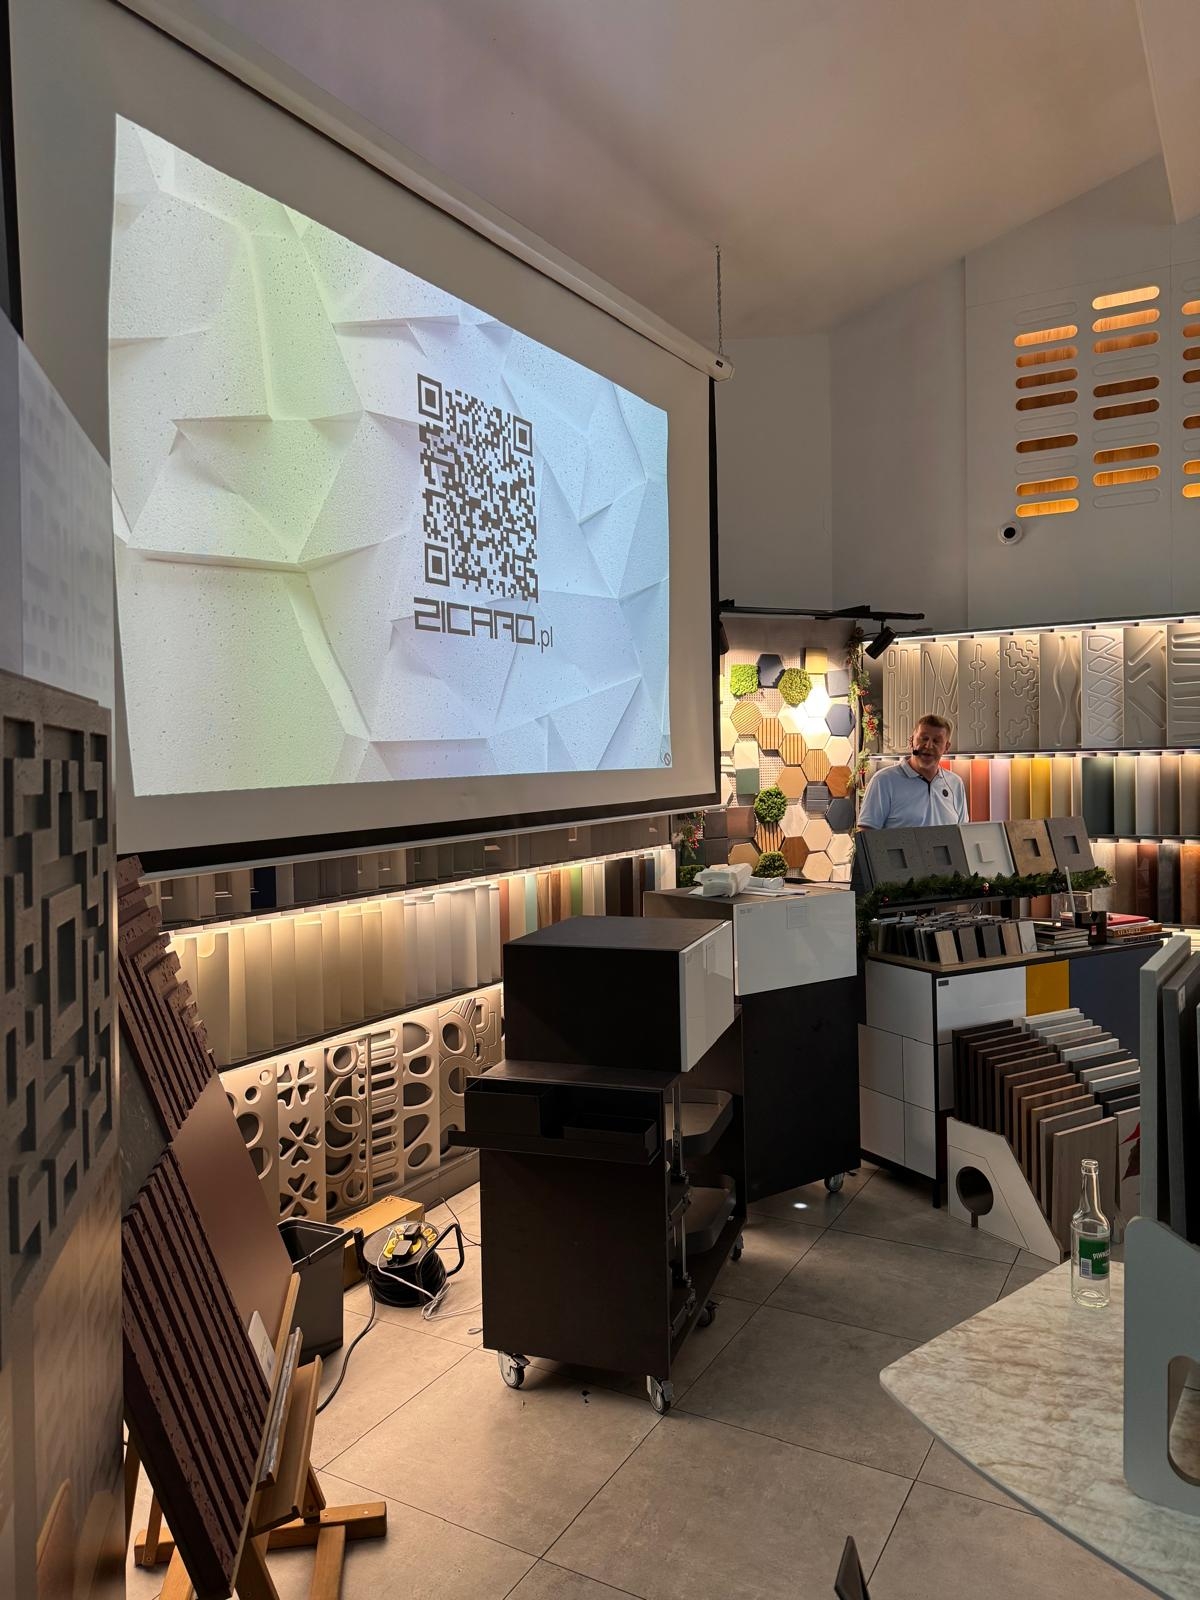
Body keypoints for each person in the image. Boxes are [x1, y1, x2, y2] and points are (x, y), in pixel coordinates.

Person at [857, 713, 968, 829]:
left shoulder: (955, 783)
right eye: (924, 738)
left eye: (936, 741)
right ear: (911, 741)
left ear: (946, 747)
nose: (929, 746)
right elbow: (866, 833)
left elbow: (963, 832)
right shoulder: (883, 781)